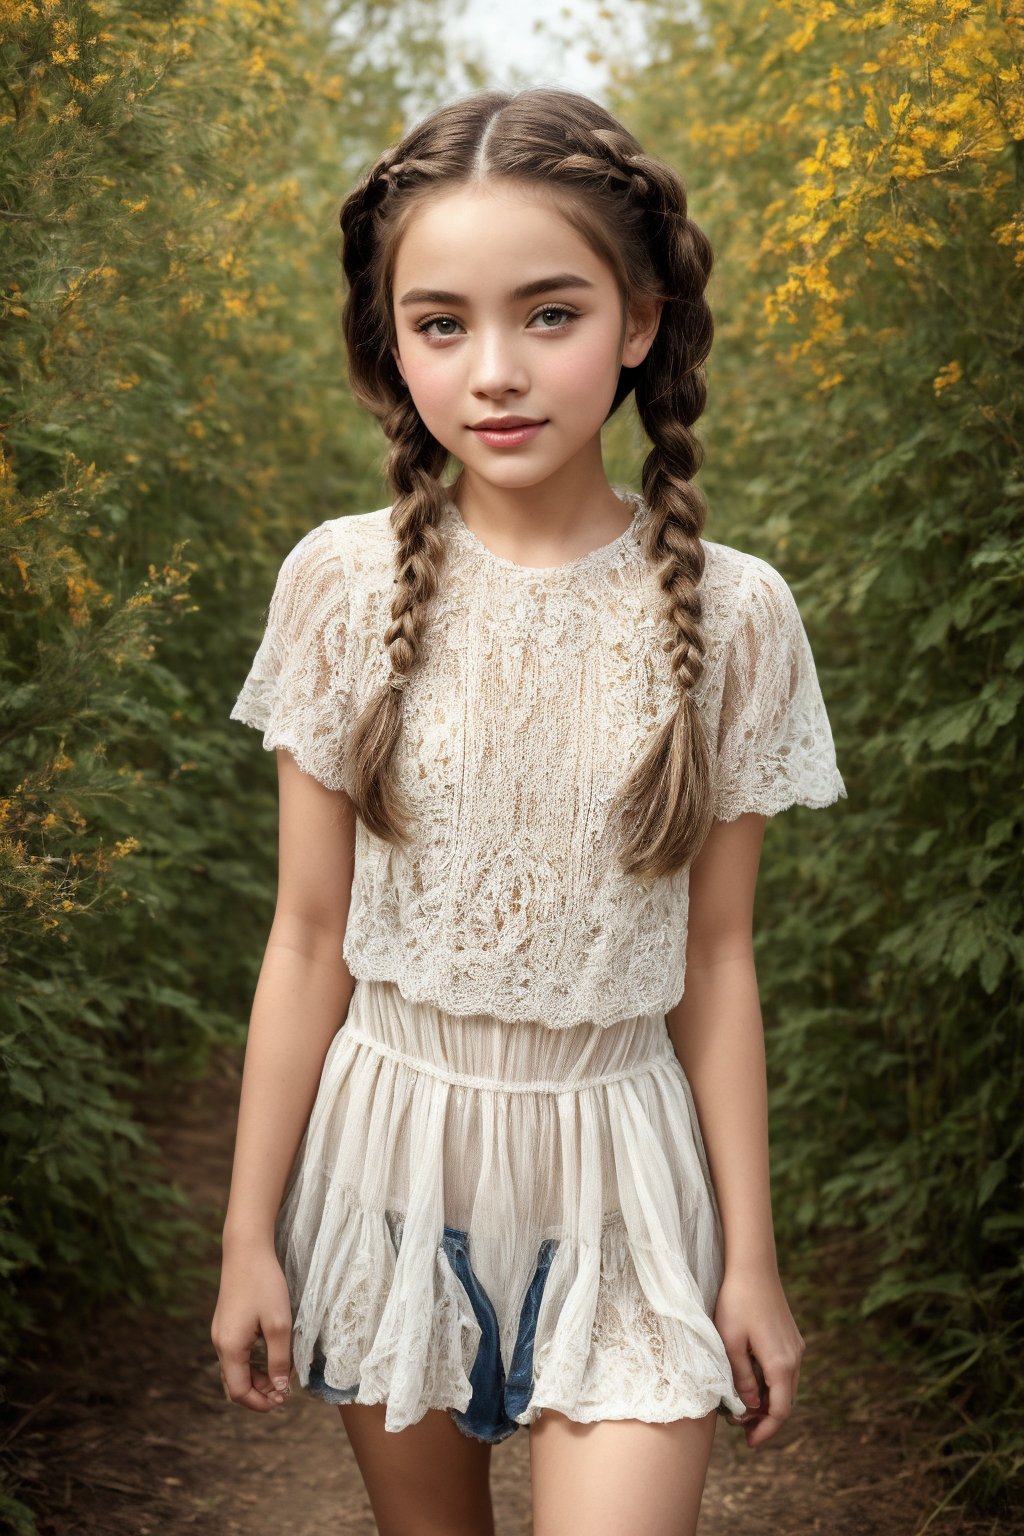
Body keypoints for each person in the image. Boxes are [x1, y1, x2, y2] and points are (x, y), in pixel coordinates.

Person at [212, 85, 847, 1536]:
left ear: (637, 323)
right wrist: (250, 1235)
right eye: (441, 324)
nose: (494, 371)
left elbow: (718, 961)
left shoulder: (739, 616)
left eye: (548, 315)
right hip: (392, 1153)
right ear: (395, 346)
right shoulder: (339, 584)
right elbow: (309, 938)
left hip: (621, 1166)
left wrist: (749, 1256)